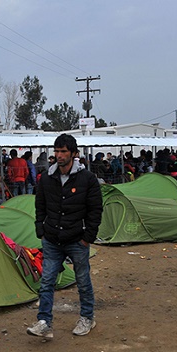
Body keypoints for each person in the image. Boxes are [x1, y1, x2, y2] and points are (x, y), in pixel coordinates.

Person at [27, 134, 102, 339]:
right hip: (52, 239)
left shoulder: (87, 179)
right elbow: (40, 205)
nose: (59, 156)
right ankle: (44, 322)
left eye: (63, 152)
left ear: (74, 154)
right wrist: (40, 228)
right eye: (57, 151)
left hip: (77, 239)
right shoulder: (46, 178)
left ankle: (87, 317)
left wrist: (88, 237)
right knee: (47, 280)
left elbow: (95, 210)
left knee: (82, 279)